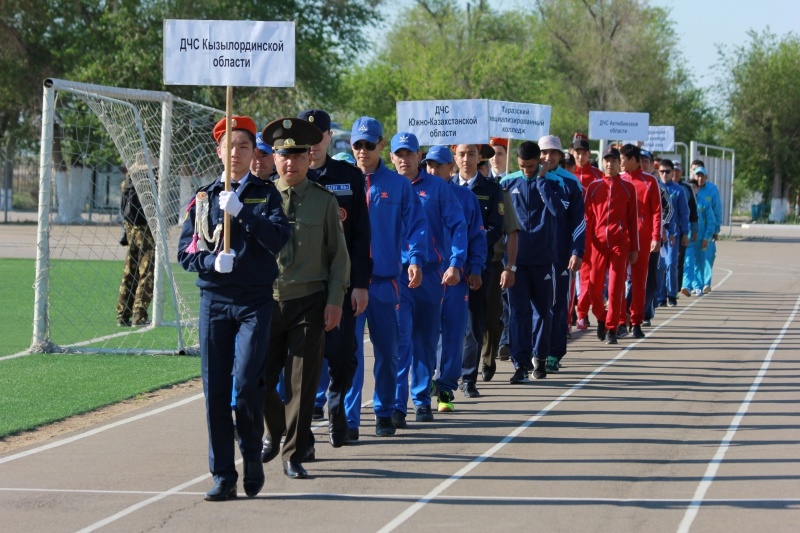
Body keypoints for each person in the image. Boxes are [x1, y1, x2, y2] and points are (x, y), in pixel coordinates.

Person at [177, 115, 290, 501]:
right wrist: (210, 263)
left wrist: (243, 212)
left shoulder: (265, 193)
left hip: (254, 301)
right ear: (219, 151)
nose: (238, 153)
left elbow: (278, 239)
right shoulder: (204, 197)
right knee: (214, 390)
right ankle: (223, 475)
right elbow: (186, 252)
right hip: (214, 301)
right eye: (231, 146)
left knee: (245, 383)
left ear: (253, 152)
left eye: (245, 146)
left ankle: (251, 456)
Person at [260, 117, 350, 480]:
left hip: (309, 301)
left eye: (298, 155)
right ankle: (275, 428)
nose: (291, 163)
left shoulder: (324, 202)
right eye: (284, 155)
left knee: (302, 384)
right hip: (265, 303)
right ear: (275, 158)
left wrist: (335, 300)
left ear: (308, 158)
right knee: (258, 379)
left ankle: (293, 453)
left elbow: (339, 257)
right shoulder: (258, 198)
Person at [345, 116, 427, 438]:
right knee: (350, 354)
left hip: (384, 282)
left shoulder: (398, 185)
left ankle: (384, 410)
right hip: (349, 284)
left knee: (388, 352)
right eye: (357, 145)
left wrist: (416, 259)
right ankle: (350, 419)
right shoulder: (343, 182)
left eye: (369, 144)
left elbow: (416, 226)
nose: (363, 151)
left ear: (382, 145)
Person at [297, 109, 371, 449]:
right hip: (300, 285)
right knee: (301, 359)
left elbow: (360, 235)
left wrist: (360, 284)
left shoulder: (349, 176)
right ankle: (303, 433)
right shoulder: (288, 176)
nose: (312, 144)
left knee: (343, 355)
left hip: (339, 284)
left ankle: (337, 406)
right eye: (305, 138)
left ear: (329, 137)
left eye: (319, 136)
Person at [390, 132, 466, 425]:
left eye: (410, 154)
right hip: (397, 276)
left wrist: (457, 262)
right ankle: (397, 405)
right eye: (400, 154)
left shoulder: (436, 187)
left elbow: (458, 225)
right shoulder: (386, 186)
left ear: (418, 157)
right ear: (392, 156)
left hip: (431, 275)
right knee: (400, 342)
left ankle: (422, 401)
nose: (404, 160)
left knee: (424, 340)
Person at [423, 146, 493, 412]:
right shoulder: (417, 194)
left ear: (451, 168)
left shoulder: (465, 197)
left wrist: (475, 268)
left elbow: (476, 236)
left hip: (456, 278)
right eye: (429, 165)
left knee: (453, 335)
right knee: (425, 335)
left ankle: (445, 389)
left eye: (439, 166)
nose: (433, 171)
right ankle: (423, 383)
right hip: (425, 278)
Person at [500, 141, 565, 381]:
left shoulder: (554, 183)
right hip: (515, 261)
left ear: (539, 160)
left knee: (543, 312)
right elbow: (501, 222)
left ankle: (541, 357)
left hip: (543, 259)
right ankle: (521, 364)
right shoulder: (507, 183)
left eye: (531, 166)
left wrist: (540, 181)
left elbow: (558, 212)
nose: (526, 170)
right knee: (518, 313)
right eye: (522, 166)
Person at [453, 143, 505, 397]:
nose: (466, 159)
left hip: (478, 265)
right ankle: (443, 377)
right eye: (461, 154)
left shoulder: (492, 189)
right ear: (455, 157)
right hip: (448, 267)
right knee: (447, 325)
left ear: (479, 157)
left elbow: (496, 227)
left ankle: (468, 378)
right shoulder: (445, 188)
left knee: (475, 323)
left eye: (471, 154)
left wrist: (472, 245)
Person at [537, 135, 584, 373]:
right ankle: (530, 354)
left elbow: (578, 221)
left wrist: (576, 251)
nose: (548, 157)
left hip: (560, 256)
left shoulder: (571, 183)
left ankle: (554, 353)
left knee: (557, 305)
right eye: (543, 152)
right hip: (531, 256)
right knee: (532, 308)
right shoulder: (520, 179)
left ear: (560, 155)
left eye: (553, 153)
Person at [583, 147, 639, 345]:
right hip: (597, 245)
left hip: (620, 244)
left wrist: (634, 249)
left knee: (615, 288)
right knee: (593, 289)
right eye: (606, 160)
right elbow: (587, 219)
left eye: (613, 161)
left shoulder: (628, 188)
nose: (609, 164)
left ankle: (612, 328)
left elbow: (632, 221)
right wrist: (584, 246)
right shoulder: (594, 187)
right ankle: (600, 317)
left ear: (619, 163)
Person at [618, 144, 661, 339]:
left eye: (623, 159)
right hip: (621, 238)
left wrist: (655, 237)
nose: (620, 163)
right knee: (618, 280)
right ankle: (619, 320)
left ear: (633, 160)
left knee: (638, 281)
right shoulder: (618, 180)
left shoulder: (650, 181)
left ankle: (636, 321)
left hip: (643, 238)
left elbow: (657, 211)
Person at [117, 164, 156, 327]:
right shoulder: (150, 183)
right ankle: (139, 315)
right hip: (146, 229)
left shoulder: (126, 182)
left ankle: (122, 314)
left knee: (130, 271)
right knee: (146, 272)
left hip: (130, 228)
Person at [571, 138, 604, 331]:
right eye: (577, 152)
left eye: (584, 152)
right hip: (573, 229)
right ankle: (576, 315)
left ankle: (583, 312)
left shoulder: (597, 175)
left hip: (594, 231)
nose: (580, 156)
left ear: (589, 154)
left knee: (591, 276)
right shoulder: (568, 174)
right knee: (577, 275)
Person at [658, 159, 689, 306]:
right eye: (662, 171)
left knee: (671, 264)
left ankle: (672, 294)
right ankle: (660, 296)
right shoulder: (655, 187)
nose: (665, 174)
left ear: (672, 173)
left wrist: (685, 233)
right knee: (660, 266)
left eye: (668, 171)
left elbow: (684, 213)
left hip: (673, 234)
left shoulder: (678, 190)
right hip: (657, 234)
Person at [690, 161, 722, 293]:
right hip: (693, 231)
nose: (700, 178)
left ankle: (706, 283)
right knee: (694, 258)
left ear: (706, 177)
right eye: (697, 175)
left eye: (702, 176)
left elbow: (717, 210)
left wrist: (716, 230)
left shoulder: (712, 189)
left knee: (708, 257)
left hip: (708, 230)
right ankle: (696, 284)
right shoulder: (690, 188)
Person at [682, 178, 716, 296]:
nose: (692, 190)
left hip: (701, 239)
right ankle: (686, 285)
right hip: (688, 239)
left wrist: (707, 237)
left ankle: (698, 286)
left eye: (694, 187)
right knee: (688, 263)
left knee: (700, 264)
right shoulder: (683, 202)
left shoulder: (704, 203)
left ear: (698, 189)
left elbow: (711, 222)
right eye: (689, 187)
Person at [673, 162, 699, 294]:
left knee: (679, 260)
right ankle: (665, 289)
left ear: (681, 172)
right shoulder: (661, 186)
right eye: (673, 170)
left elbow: (693, 211)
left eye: (678, 171)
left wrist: (694, 229)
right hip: (666, 230)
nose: (675, 173)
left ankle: (675, 289)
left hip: (682, 229)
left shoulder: (686, 189)